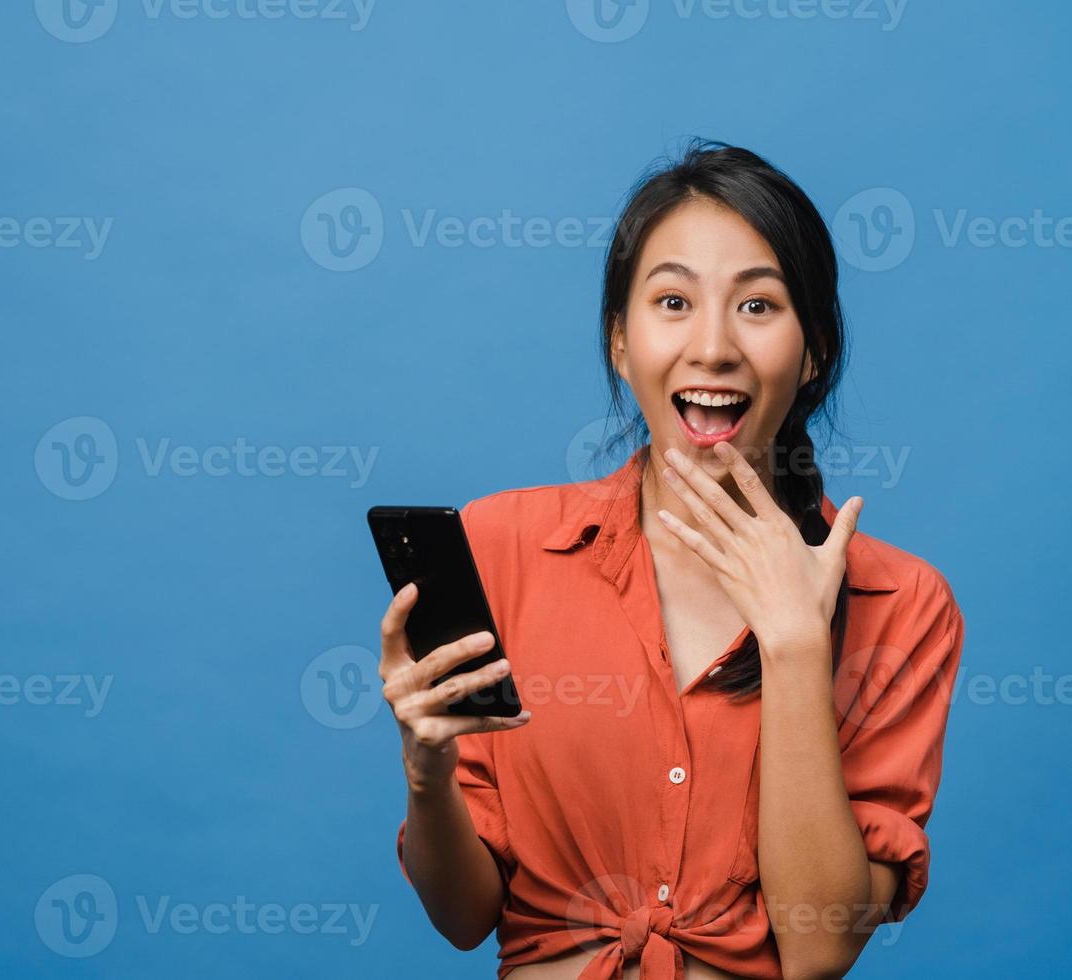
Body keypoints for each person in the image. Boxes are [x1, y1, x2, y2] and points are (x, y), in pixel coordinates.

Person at [378, 142, 966, 979]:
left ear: (815, 350)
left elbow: (819, 948)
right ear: (621, 342)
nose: (713, 347)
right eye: (673, 302)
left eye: (757, 306)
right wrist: (427, 771)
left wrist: (798, 645)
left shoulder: (901, 602)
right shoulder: (502, 547)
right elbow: (463, 917)